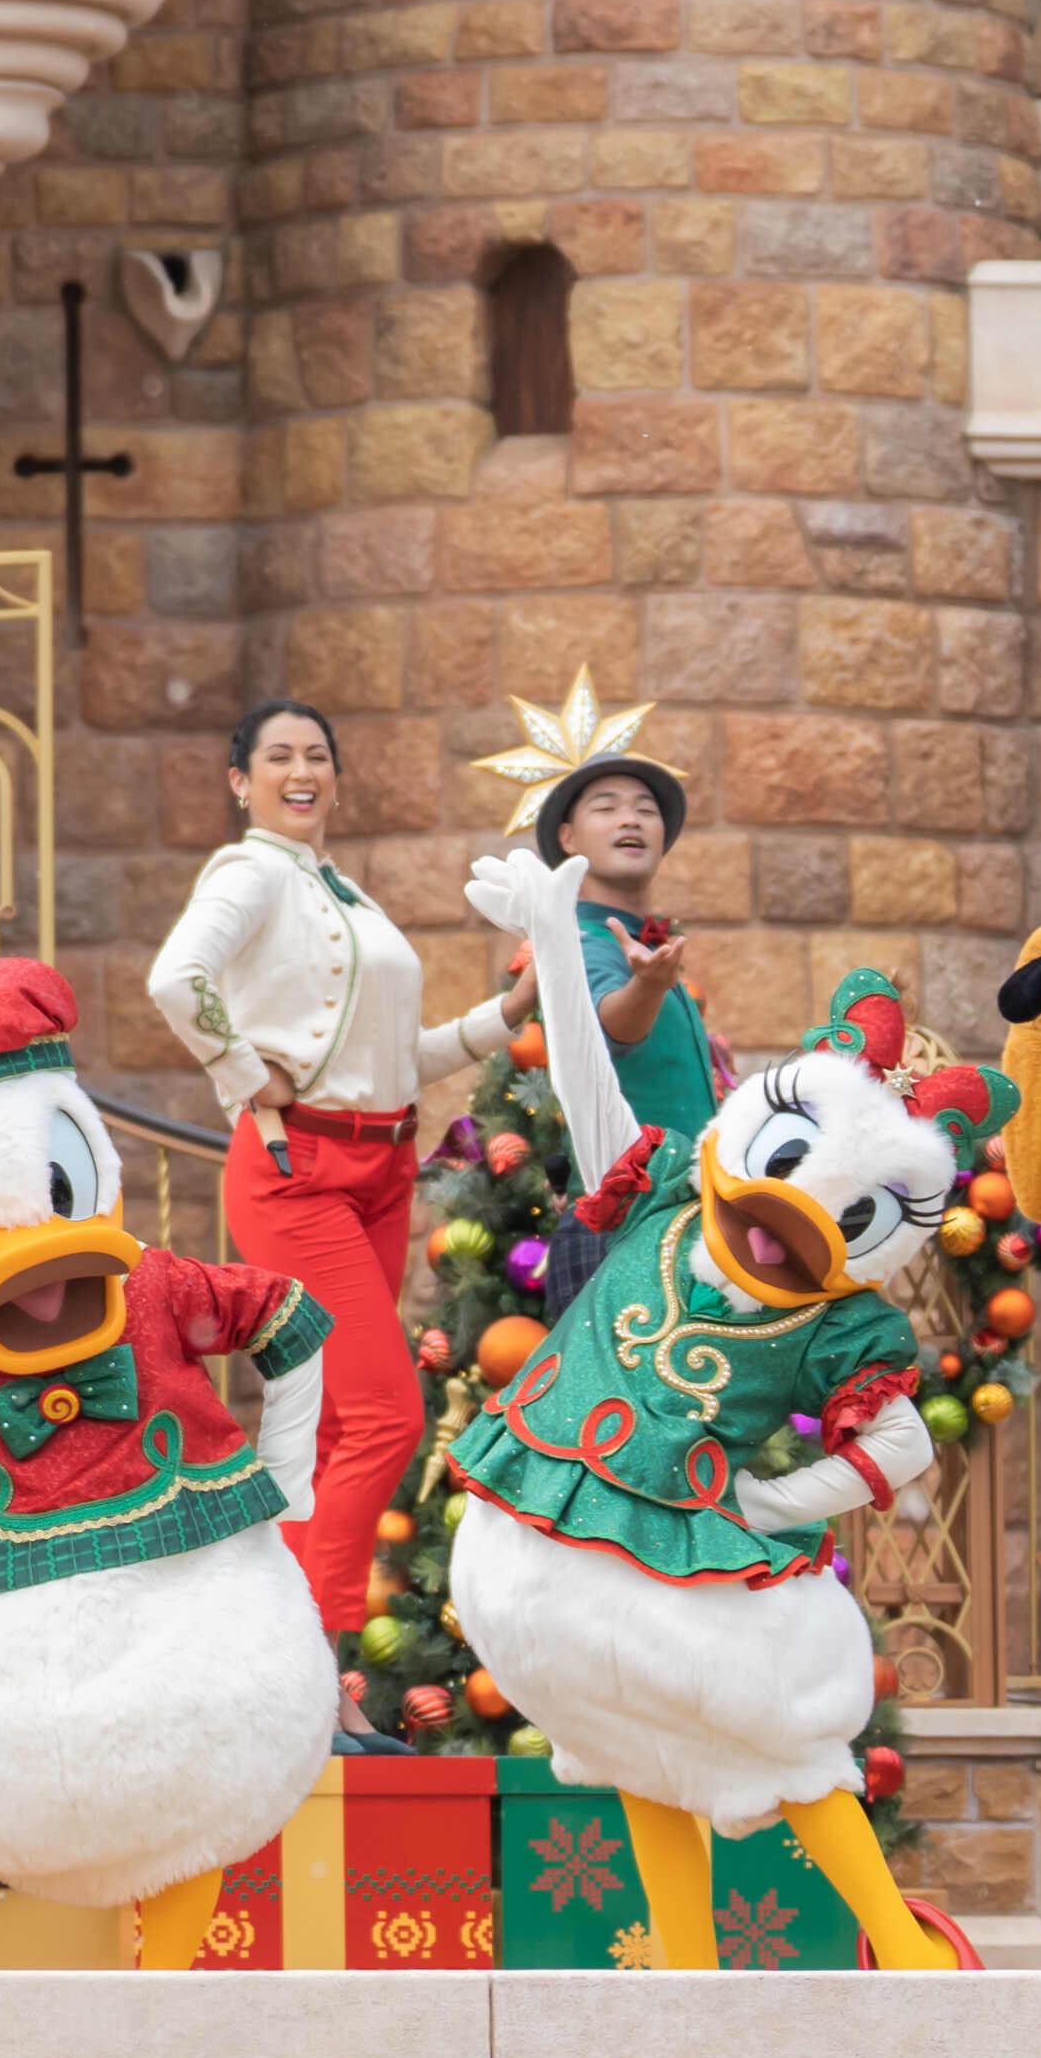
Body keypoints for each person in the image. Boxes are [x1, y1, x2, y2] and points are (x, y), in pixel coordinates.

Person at [144, 698, 508, 1641]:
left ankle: (284, 1645)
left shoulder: (342, 893)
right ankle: (317, 1648)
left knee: (343, 1426)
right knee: (387, 1417)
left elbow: (394, 1064)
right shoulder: (253, 871)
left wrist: (506, 1015)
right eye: (279, 756)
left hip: (378, 1168)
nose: (301, 771)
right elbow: (176, 977)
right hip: (297, 1168)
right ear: (241, 781)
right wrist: (240, 1070)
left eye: (317, 755)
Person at [531, 741, 716, 1159]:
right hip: (630, 1194)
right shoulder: (576, 941)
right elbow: (608, 1029)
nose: (631, 819)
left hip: (679, 1184)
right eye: (606, 808)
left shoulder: (645, 944)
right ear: (567, 837)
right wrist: (647, 988)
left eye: (646, 810)